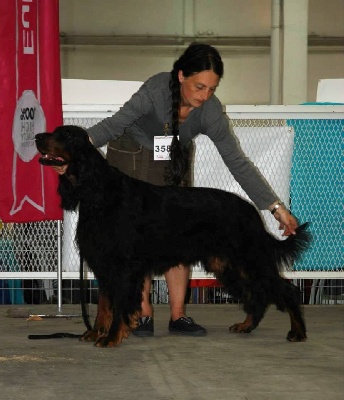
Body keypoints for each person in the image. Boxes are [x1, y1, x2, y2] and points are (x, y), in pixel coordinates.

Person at [54, 43, 298, 337]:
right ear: (181, 75)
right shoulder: (155, 91)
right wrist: (75, 152)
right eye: (199, 86)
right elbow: (114, 124)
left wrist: (275, 207)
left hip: (172, 158)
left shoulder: (210, 110)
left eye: (211, 88)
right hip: (133, 155)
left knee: (179, 235)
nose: (205, 95)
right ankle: (139, 315)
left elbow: (237, 161)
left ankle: (178, 315)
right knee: (133, 242)